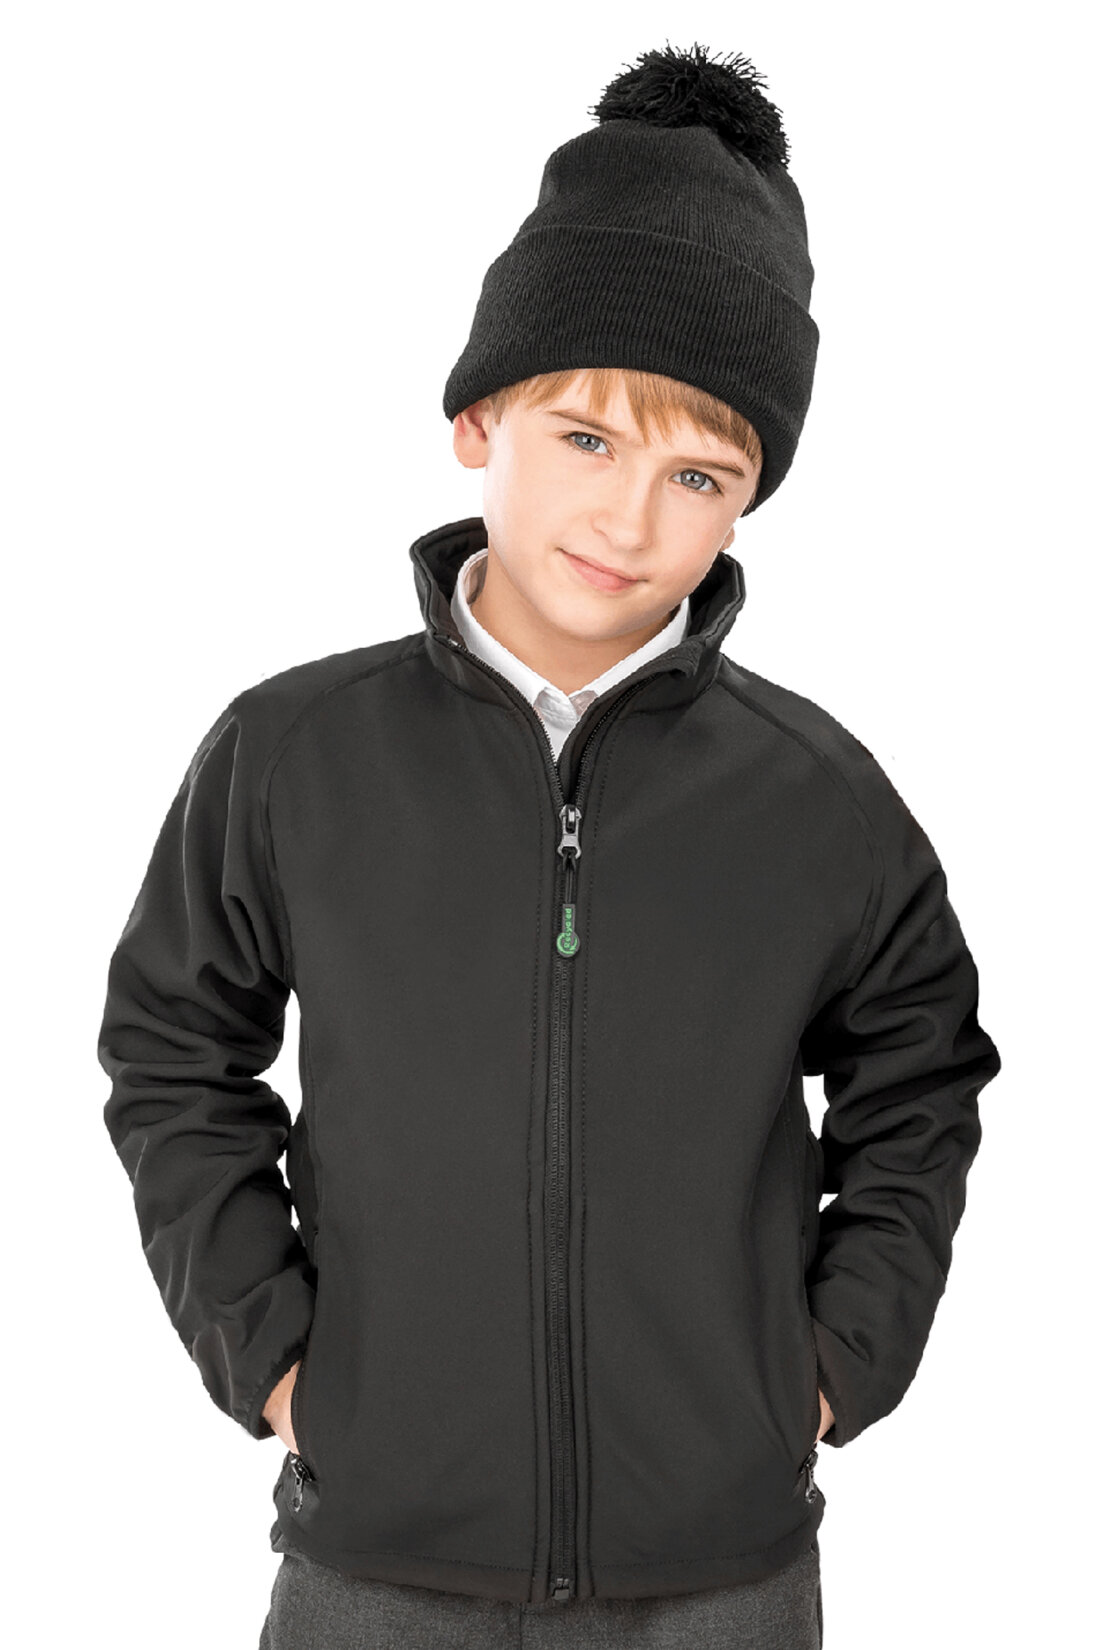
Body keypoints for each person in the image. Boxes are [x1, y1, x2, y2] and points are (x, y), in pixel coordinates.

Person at [98, 42, 1002, 1650]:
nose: (630, 517)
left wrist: (830, 1365)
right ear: (479, 416)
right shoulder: (293, 754)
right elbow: (174, 1043)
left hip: (718, 1574)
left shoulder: (817, 798)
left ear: (745, 498)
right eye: (586, 436)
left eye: (697, 472)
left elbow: (918, 1075)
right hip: (379, 1555)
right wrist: (276, 1355)